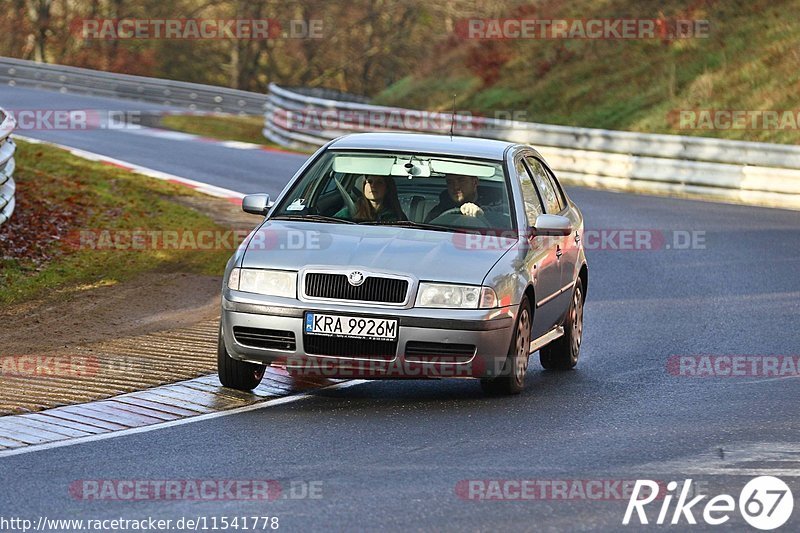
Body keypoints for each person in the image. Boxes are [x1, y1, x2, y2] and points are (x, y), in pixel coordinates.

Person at [425, 174, 497, 222]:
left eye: (461, 180)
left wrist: (482, 213)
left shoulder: (496, 205)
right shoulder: (437, 213)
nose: (455, 187)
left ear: (474, 183)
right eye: (450, 182)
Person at [334, 175, 407, 222]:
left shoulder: (396, 216)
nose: (373, 186)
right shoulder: (349, 212)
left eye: (379, 182)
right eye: (369, 182)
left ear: (387, 188)